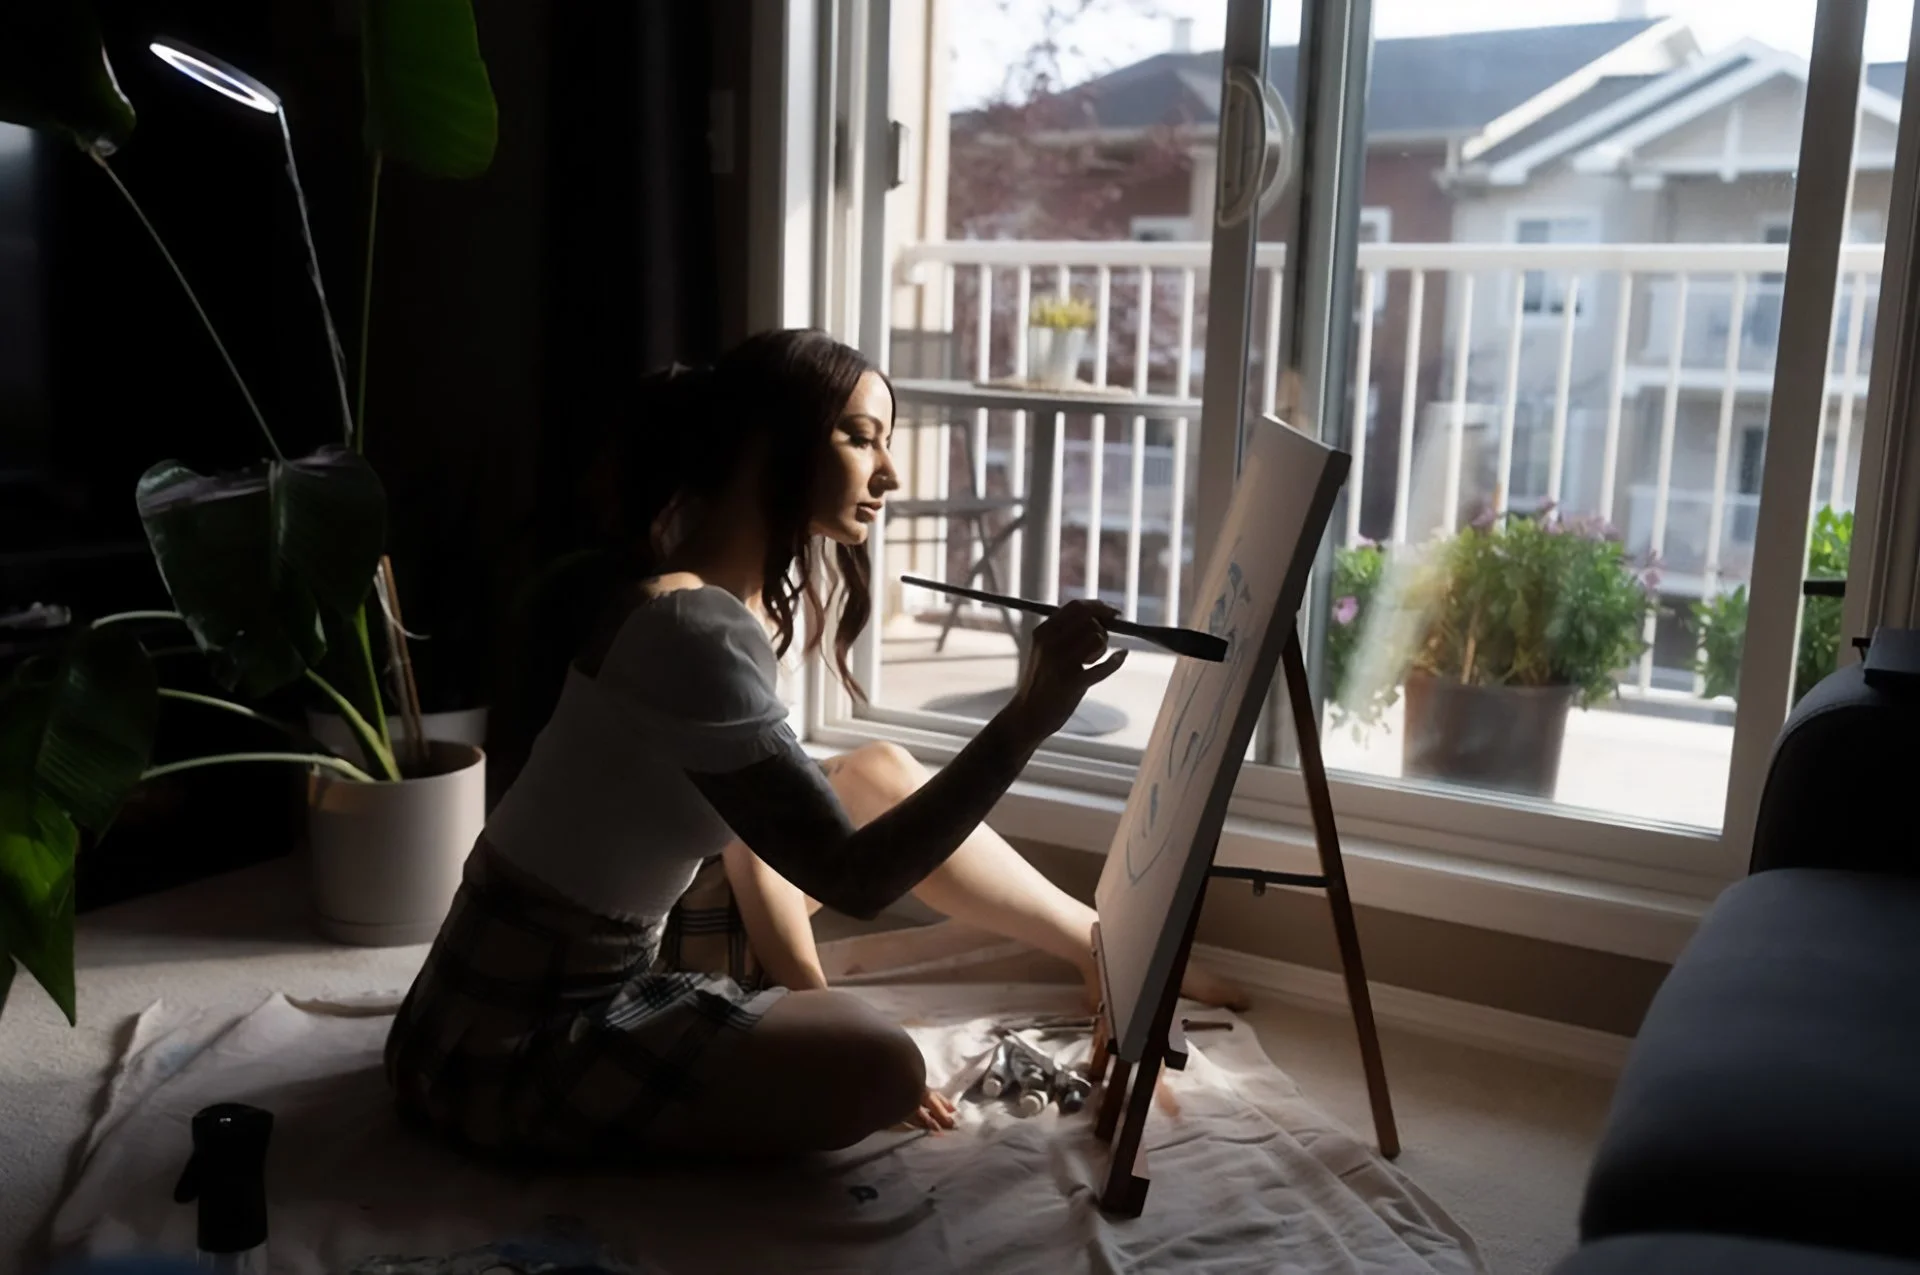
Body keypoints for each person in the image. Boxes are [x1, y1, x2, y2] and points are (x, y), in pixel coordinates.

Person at [385, 328, 1241, 1163]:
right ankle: (1086, 956)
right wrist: (1024, 720)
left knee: (874, 775)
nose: (891, 474)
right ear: (772, 445)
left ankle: (1102, 947)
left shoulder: (707, 604)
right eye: (861, 438)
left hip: (536, 972)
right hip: (509, 1036)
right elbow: (853, 878)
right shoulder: (689, 630)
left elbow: (765, 837)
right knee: (880, 1062)